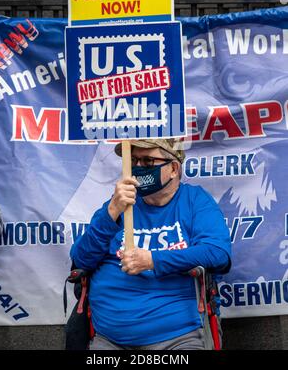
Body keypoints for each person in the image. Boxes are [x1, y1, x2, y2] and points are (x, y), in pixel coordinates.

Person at [70, 138, 231, 350]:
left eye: (147, 162)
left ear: (173, 169)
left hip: (178, 338)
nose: (138, 168)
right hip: (108, 339)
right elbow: (80, 260)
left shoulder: (194, 200)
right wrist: (111, 212)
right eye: (133, 161)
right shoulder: (119, 205)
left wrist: (153, 260)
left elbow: (217, 253)